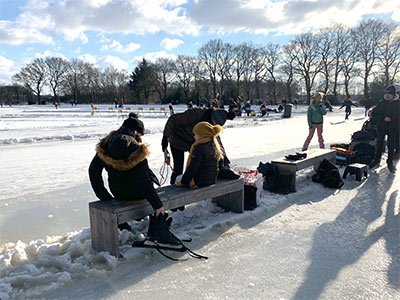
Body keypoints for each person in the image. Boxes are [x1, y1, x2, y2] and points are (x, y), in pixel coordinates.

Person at [88, 113, 180, 246]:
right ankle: (158, 230)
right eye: (140, 135)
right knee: (149, 184)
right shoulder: (136, 149)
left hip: (118, 193)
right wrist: (158, 206)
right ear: (135, 132)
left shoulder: (106, 145)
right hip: (137, 194)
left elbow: (93, 172)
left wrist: (106, 197)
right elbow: (144, 182)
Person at [161, 107, 236, 184]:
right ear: (211, 117)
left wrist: (224, 165)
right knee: (178, 167)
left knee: (197, 163)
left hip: (193, 142)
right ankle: (174, 188)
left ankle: (189, 181)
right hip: (177, 139)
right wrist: (165, 138)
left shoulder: (210, 128)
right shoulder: (195, 113)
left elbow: (218, 146)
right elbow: (173, 120)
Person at [176, 122, 223, 188]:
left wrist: (184, 181)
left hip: (200, 181)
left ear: (203, 135)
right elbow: (220, 164)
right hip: (212, 180)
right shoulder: (214, 145)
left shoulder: (199, 148)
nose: (194, 136)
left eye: (196, 134)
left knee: (178, 178)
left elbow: (193, 167)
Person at [369, 85, 399, 173]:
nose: (387, 95)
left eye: (389, 94)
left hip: (393, 128)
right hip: (381, 127)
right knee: (379, 144)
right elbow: (374, 114)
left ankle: (390, 162)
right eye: (386, 93)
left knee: (391, 145)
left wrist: (392, 119)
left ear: (393, 95)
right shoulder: (381, 103)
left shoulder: (398, 104)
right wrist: (383, 118)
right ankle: (377, 160)